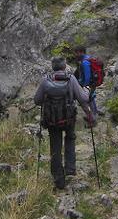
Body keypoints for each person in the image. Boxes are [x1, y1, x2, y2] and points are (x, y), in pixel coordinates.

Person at [34, 56, 93, 190]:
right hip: (68, 118)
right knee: (70, 138)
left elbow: (37, 100)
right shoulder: (71, 79)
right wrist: (87, 90)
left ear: (52, 66)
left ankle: (58, 179)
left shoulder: (45, 80)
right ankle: (70, 169)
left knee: (55, 147)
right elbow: (83, 98)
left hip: (51, 120)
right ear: (64, 66)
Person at [74, 46, 99, 118]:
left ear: (82, 52)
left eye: (77, 53)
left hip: (88, 84)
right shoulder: (88, 58)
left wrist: (82, 85)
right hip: (92, 83)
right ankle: (95, 113)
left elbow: (87, 77)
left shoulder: (85, 62)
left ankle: (93, 118)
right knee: (91, 98)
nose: (75, 55)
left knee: (88, 100)